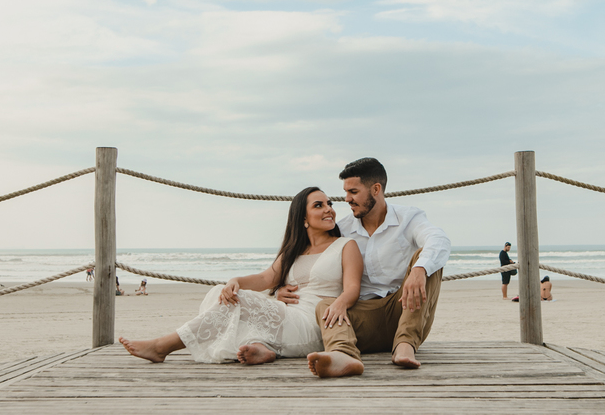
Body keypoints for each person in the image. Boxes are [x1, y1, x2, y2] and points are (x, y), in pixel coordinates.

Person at [119, 187, 362, 365]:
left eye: (329, 203)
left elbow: (352, 287)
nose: (329, 209)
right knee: (220, 292)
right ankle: (263, 348)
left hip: (315, 322)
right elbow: (266, 279)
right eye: (318, 205)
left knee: (241, 301)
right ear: (303, 219)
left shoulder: (345, 245)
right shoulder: (293, 251)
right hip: (288, 315)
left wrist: (340, 303)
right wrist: (235, 281)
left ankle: (163, 346)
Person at [300, 158, 450, 377]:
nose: (347, 199)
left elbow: (439, 239)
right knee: (326, 306)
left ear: (376, 189)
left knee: (428, 259)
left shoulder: (408, 217)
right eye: (346, 192)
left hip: (408, 309)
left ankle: (405, 345)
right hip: (367, 317)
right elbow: (313, 258)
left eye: (353, 192)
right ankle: (344, 356)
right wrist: (284, 287)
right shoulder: (343, 229)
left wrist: (419, 270)